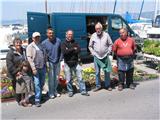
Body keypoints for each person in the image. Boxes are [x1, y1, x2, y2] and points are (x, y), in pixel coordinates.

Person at [61, 30, 89, 97]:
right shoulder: (63, 43)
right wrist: (73, 48)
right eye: (69, 34)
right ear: (66, 35)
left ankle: (83, 90)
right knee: (68, 79)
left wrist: (70, 49)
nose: (70, 36)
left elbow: (78, 50)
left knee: (80, 77)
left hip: (76, 63)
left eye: (71, 34)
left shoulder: (75, 42)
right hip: (67, 63)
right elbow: (64, 52)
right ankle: (70, 91)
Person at [89, 22, 113, 92]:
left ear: (102, 28)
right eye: (96, 29)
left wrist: (109, 51)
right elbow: (90, 46)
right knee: (97, 72)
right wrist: (93, 53)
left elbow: (111, 44)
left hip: (105, 56)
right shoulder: (93, 35)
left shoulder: (106, 35)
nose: (98, 30)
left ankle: (107, 85)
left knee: (107, 71)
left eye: (99, 28)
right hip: (96, 57)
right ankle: (98, 86)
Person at [26, 32, 45, 107]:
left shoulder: (41, 45)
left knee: (42, 83)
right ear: (33, 38)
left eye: (38, 37)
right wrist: (33, 69)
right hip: (36, 69)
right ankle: (37, 100)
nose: (37, 38)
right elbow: (29, 58)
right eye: (35, 37)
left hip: (42, 67)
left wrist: (46, 65)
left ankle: (40, 95)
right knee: (37, 84)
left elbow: (44, 56)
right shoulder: (30, 47)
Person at [42, 28, 62, 99]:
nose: (51, 34)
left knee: (56, 78)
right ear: (47, 34)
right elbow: (44, 54)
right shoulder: (44, 43)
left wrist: (60, 59)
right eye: (50, 33)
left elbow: (61, 50)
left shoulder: (58, 40)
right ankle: (50, 93)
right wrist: (46, 62)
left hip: (57, 62)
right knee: (51, 78)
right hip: (49, 63)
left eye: (52, 33)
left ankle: (55, 91)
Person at [6, 38, 26, 105]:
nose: (18, 44)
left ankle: (23, 100)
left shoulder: (23, 50)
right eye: (17, 43)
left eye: (19, 42)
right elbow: (9, 65)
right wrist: (17, 72)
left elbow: (25, 60)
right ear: (14, 44)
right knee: (16, 87)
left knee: (22, 86)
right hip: (14, 73)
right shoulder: (10, 53)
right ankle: (19, 100)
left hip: (22, 72)